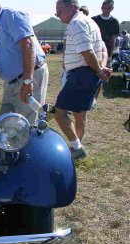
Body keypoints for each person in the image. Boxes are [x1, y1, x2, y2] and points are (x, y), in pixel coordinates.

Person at [0, 0, 49, 125]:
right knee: (5, 122)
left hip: (29, 76)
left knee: (25, 124)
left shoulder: (12, 16)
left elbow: (27, 45)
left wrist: (28, 80)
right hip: (10, 82)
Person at [54, 0, 111, 160]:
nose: (58, 16)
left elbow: (87, 51)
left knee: (59, 112)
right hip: (89, 74)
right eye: (56, 14)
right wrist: (101, 68)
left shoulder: (76, 23)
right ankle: (76, 147)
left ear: (71, 6)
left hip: (82, 75)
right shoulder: (90, 22)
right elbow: (102, 49)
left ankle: (77, 147)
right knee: (80, 115)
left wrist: (99, 70)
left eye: (59, 12)